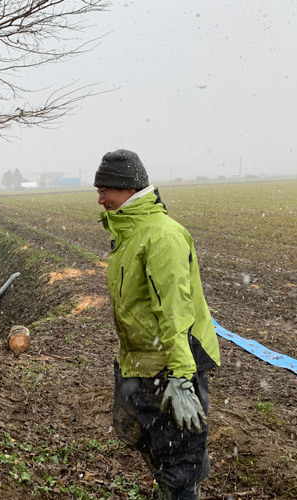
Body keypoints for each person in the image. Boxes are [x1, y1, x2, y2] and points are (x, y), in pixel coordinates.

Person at [94, 149, 220, 500]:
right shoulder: (128, 231)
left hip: (170, 361)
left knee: (178, 461)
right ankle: (184, 470)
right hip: (138, 359)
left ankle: (185, 479)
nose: (101, 199)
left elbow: (174, 310)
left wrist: (181, 376)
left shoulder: (161, 235)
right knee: (134, 432)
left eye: (107, 190)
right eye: (98, 190)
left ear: (130, 188)